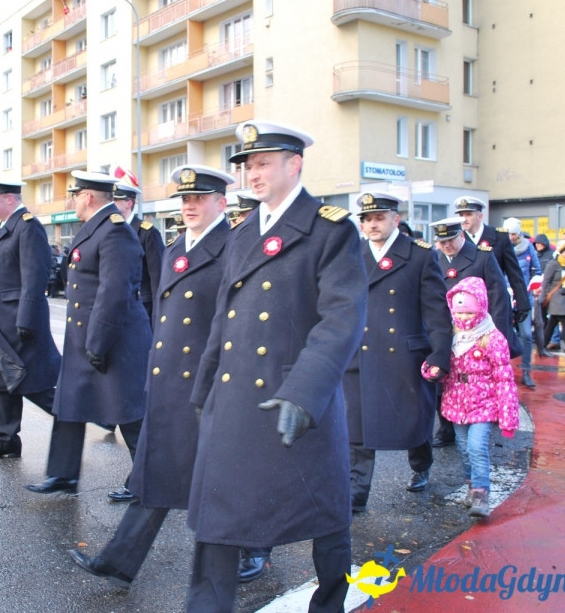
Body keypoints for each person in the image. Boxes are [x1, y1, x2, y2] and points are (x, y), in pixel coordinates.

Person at [185, 121, 367, 612]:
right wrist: (204, 391)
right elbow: (224, 318)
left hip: (297, 397)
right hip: (235, 400)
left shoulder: (331, 229)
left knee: (326, 517)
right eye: (248, 165)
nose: (252, 174)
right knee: (217, 518)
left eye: (263, 163)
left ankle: (329, 603)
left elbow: (341, 319)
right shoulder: (244, 232)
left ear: (295, 164)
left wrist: (304, 393)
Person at [70, 165, 257, 587]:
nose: (190, 206)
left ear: (222, 203)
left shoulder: (235, 248)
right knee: (158, 471)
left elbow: (241, 321)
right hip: (171, 379)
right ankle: (119, 561)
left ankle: (255, 548)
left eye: (199, 199)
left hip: (212, 380)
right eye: (185, 199)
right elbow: (161, 310)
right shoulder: (176, 247)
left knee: (225, 471)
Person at [26, 171, 150, 497]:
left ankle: (147, 481)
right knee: (69, 404)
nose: (73, 201)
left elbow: (114, 294)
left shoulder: (115, 232)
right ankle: (62, 474)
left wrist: (97, 344)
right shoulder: (95, 227)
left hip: (113, 340)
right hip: (85, 338)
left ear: (88, 197)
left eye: (75, 194)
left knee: (129, 413)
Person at [346, 193, 453, 514]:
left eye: (379, 217)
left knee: (413, 420)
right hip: (361, 354)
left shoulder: (419, 255)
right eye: (366, 219)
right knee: (358, 424)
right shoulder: (352, 254)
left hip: (404, 356)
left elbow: (435, 310)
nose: (372, 224)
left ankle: (421, 464)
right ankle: (357, 490)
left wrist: (440, 355)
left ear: (396, 219)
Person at [0, 179, 59, 461]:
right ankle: (6, 440)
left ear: (9, 199)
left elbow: (35, 276)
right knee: (1, 382)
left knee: (34, 384)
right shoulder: (7, 227)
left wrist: (27, 318)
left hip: (19, 322)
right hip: (0, 321)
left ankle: (78, 414)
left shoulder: (27, 226)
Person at [426, 276, 519, 518]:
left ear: (481, 308)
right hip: (456, 403)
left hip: (484, 403)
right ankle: (470, 485)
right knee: (464, 448)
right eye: (460, 312)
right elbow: (438, 361)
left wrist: (508, 417)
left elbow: (504, 379)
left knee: (476, 447)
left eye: (469, 312)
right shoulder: (452, 336)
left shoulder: (493, 338)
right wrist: (431, 370)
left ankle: (481, 494)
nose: (465, 317)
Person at [429, 217, 515, 448]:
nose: (446, 245)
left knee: (479, 380)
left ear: (461, 235)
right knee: (444, 379)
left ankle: (481, 420)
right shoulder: (434, 258)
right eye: (442, 242)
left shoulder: (482, 257)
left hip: (479, 331)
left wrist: (497, 334)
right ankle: (447, 426)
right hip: (447, 330)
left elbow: (498, 298)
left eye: (450, 240)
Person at [455, 197, 531, 341]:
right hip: (467, 307)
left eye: (468, 214)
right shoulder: (458, 239)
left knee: (497, 345)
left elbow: (514, 273)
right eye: (461, 215)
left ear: (480, 216)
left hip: (495, 304)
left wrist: (523, 303)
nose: (464, 219)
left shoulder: (499, 237)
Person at [112, 179, 164, 321]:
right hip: (116, 305)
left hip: (142, 305)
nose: (112, 204)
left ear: (129, 203)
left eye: (116, 200)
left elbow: (157, 276)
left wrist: (158, 314)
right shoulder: (111, 231)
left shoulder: (147, 233)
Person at [503, 217, 542, 387]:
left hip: (523, 297)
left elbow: (537, 271)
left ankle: (526, 371)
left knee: (526, 335)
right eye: (509, 233)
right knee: (503, 336)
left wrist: (535, 286)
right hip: (505, 297)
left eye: (514, 234)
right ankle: (504, 371)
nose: (511, 237)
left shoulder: (528, 248)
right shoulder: (500, 246)